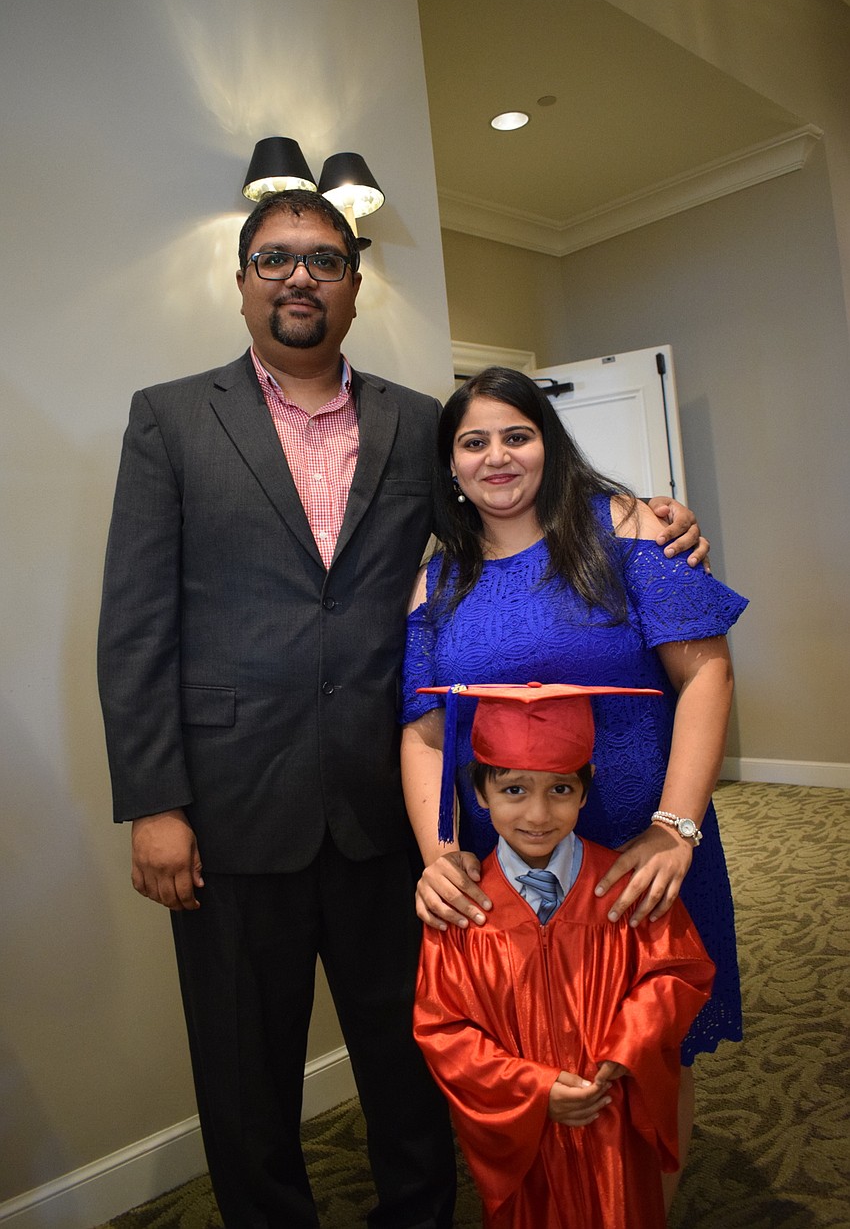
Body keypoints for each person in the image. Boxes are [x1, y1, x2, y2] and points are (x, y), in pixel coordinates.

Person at [98, 190, 707, 1228]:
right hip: (233, 807)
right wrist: (154, 802)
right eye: (276, 258)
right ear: (242, 278)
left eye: (324, 260)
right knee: (246, 1071)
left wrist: (639, 510)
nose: (300, 277)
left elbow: (505, 513)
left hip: (400, 812)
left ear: (353, 282)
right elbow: (137, 618)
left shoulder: (411, 421)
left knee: (411, 1049)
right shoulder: (169, 418)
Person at [400, 366, 748, 1208]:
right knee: (536, 1054)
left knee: (649, 1049)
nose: (497, 457)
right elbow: (422, 730)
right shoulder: (436, 581)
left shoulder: (627, 529)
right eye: (473, 441)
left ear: (547, 445)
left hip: (646, 857)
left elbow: (706, 674)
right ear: (451, 465)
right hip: (514, 869)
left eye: (516, 434)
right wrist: (441, 854)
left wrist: (675, 827)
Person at [413, 681, 716, 1229]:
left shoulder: (627, 887)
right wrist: (532, 1091)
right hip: (526, 1127)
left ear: (585, 788)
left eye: (559, 789)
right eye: (512, 790)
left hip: (612, 1112)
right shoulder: (465, 910)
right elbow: (443, 1029)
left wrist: (629, 1047)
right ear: (478, 793)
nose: (537, 813)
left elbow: (678, 972)